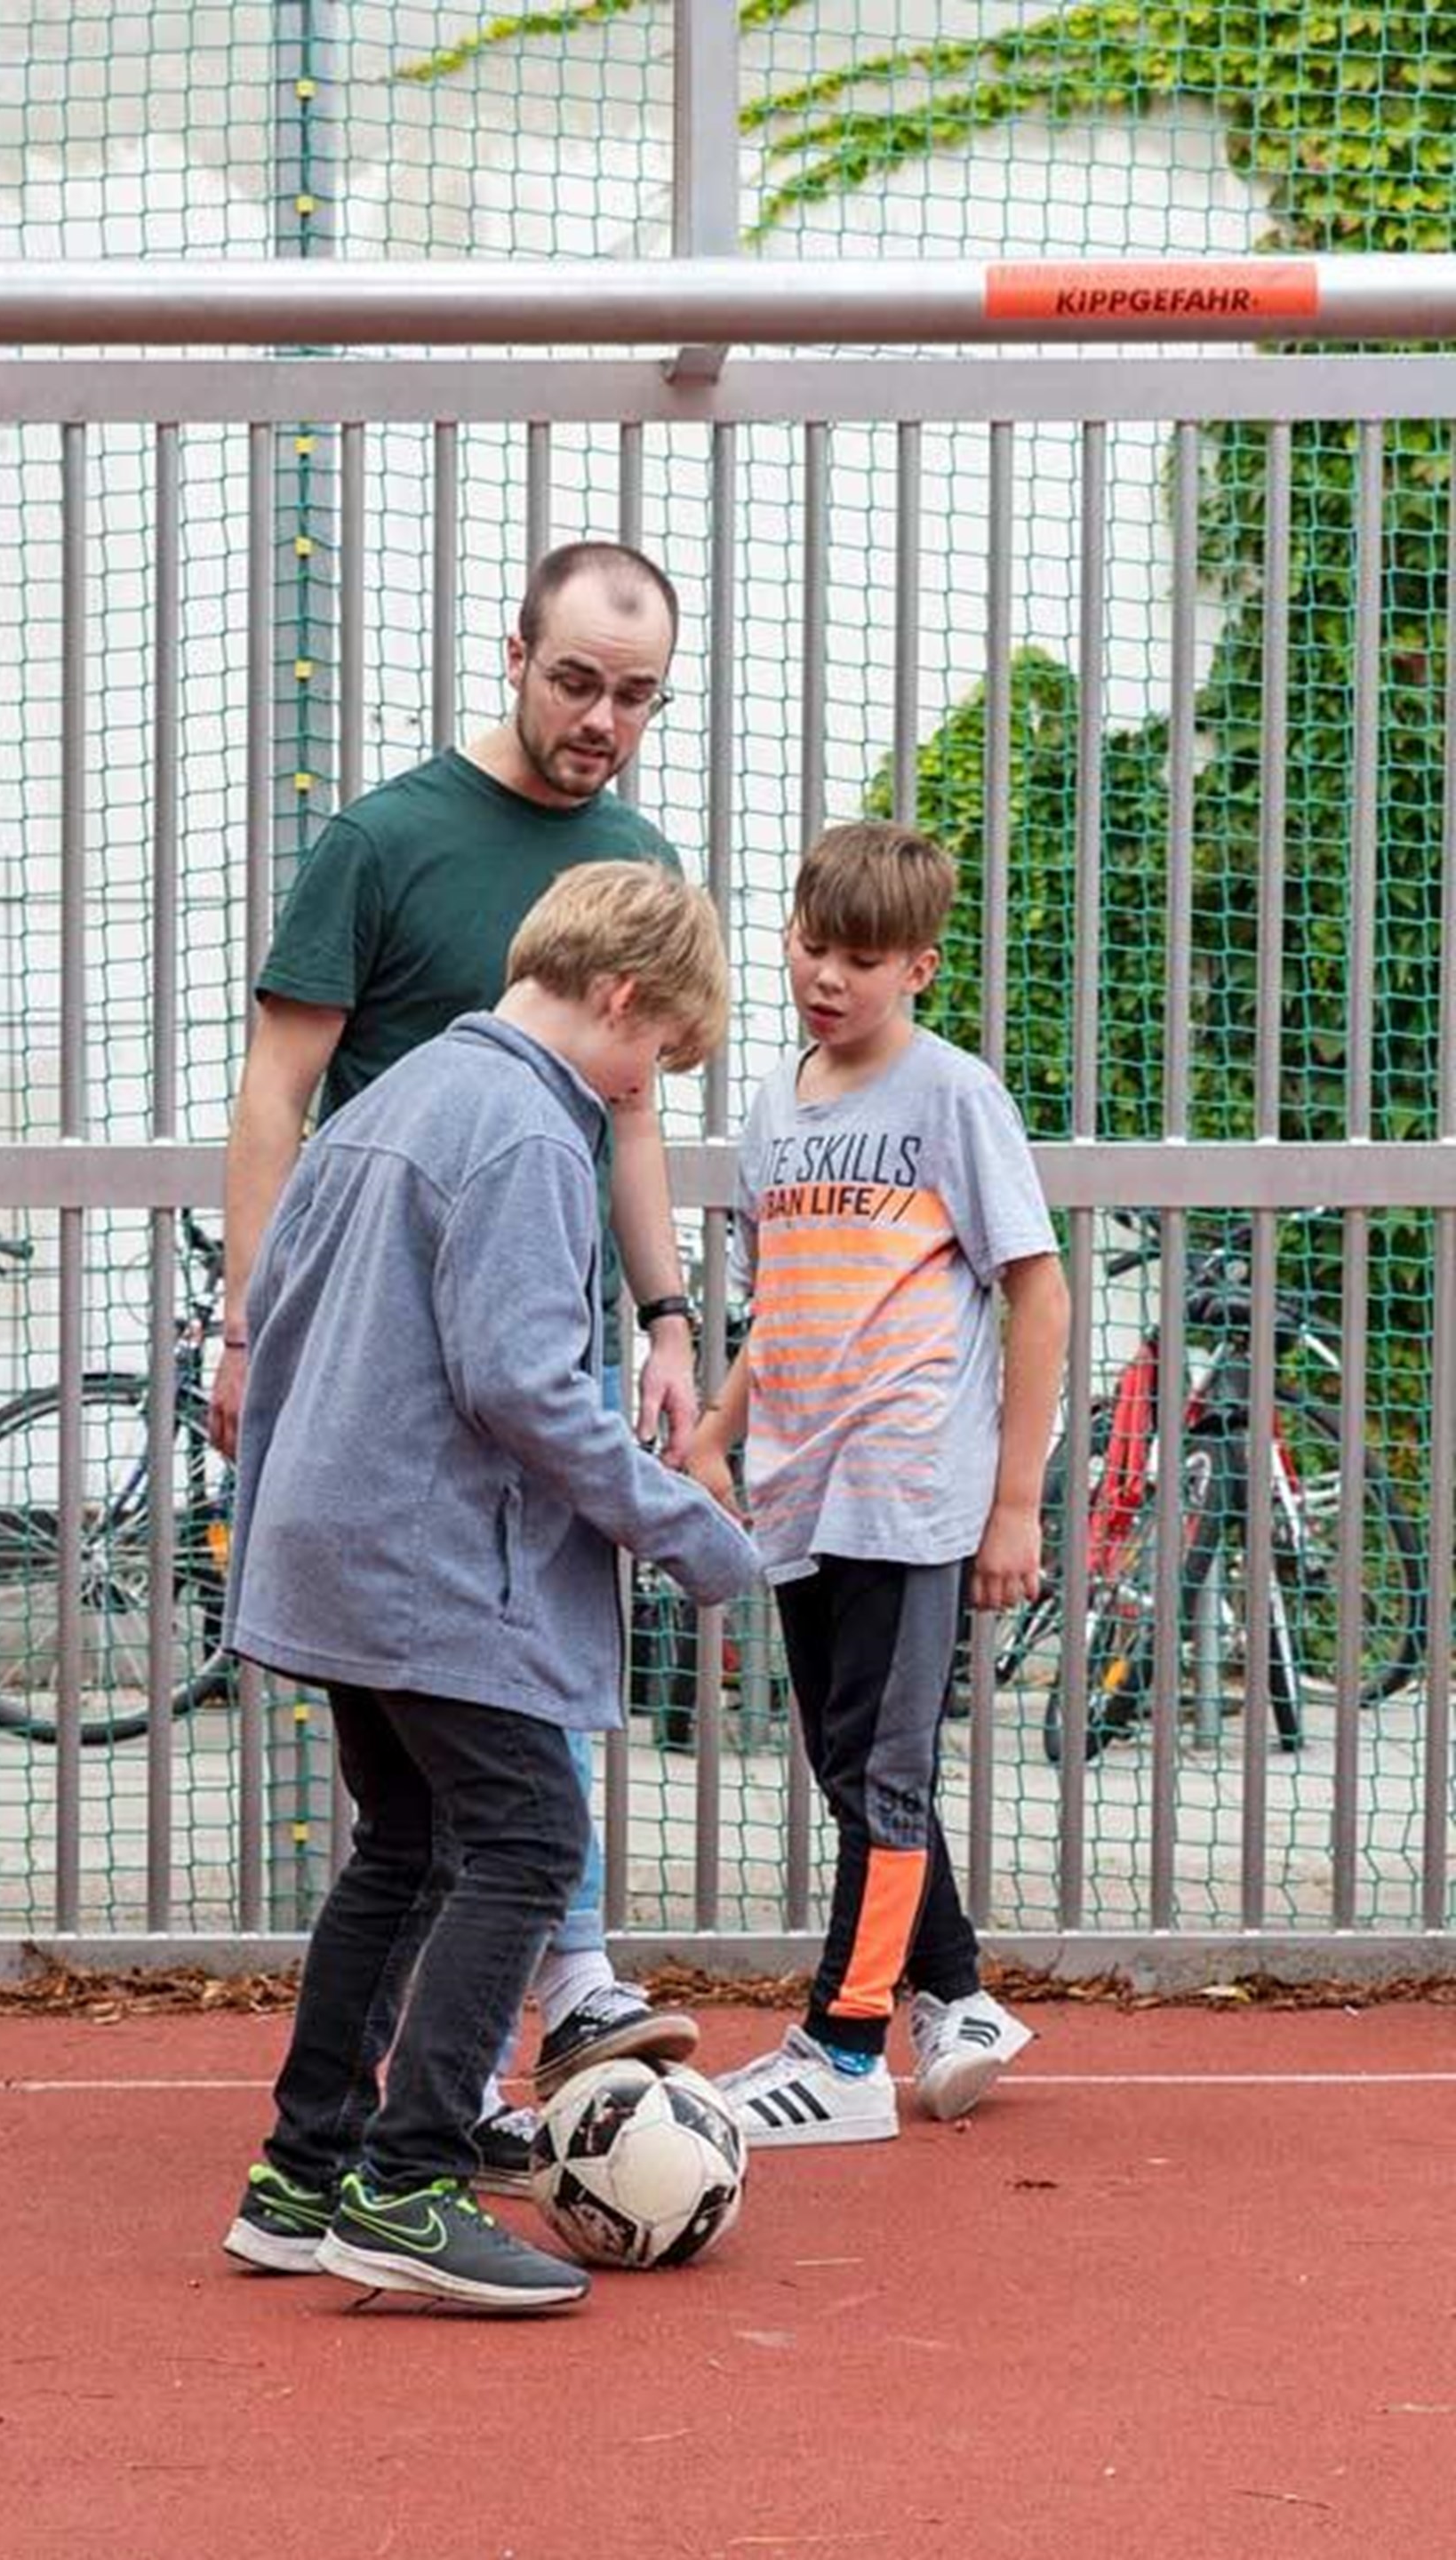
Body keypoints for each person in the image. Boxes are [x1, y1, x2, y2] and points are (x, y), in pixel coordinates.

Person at [210, 542, 709, 2243]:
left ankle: (325, 2159)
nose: (604, 719)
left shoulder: (621, 890)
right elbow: (279, 1088)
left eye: (637, 695)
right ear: (515, 654)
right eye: (578, 681)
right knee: (513, 1823)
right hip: (422, 1447)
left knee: (425, 1831)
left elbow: (626, 1122)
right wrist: (251, 1333)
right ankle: (415, 2170)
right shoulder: (389, 849)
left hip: (453, 1427)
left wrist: (666, 1315)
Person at [686, 820, 1069, 2143]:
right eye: (811, 947)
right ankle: (957, 1995)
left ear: (918, 967)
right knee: (851, 1765)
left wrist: (1013, 1503)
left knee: (888, 1772)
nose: (826, 978)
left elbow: (1037, 1291)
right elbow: (778, 1303)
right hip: (802, 1485)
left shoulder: (954, 1096)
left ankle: (844, 2052)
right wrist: (717, 1430)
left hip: (911, 1482)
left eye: (859, 958)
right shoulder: (775, 1104)